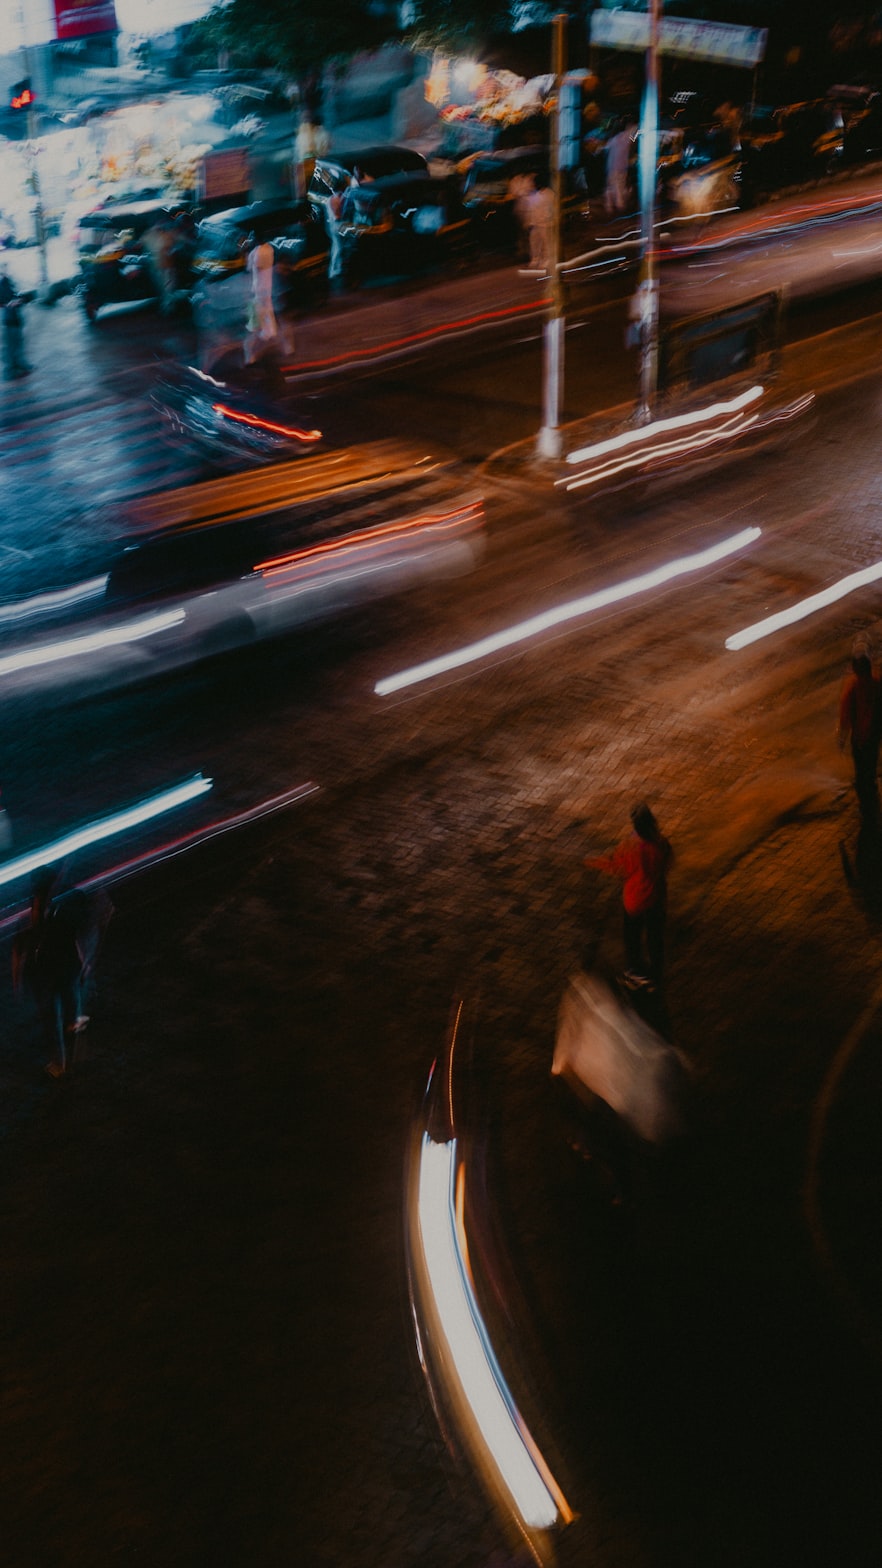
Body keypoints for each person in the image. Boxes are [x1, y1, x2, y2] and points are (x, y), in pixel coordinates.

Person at [586, 802, 673, 989]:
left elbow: (616, 865)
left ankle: (636, 974)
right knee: (654, 938)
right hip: (656, 899)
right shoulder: (662, 844)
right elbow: (667, 864)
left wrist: (593, 861)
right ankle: (656, 974)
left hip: (635, 901)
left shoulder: (630, 847)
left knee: (632, 939)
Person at [12, 869, 86, 1076]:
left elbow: (19, 948)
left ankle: (61, 1061)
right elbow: (73, 937)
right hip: (57, 970)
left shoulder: (31, 916)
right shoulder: (58, 909)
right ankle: (69, 1047)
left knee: (52, 1019)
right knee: (61, 1011)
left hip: (46, 973)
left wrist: (17, 977)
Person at [838, 647, 881, 827]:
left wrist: (842, 738)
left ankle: (868, 811)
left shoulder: (853, 689)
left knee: (862, 775)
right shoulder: (878, 684)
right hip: (873, 738)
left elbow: (846, 716)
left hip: (860, 740)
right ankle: (872, 807)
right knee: (869, 773)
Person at [244, 236, 278, 363]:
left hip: (257, 291)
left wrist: (247, 254)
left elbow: (252, 269)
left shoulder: (257, 252)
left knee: (254, 325)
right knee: (266, 321)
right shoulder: (269, 249)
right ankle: (259, 349)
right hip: (266, 290)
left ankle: (250, 357)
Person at [0, 265, 31, 379]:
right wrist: (9, 304)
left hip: (16, 318)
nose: (8, 271)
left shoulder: (11, 283)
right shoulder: (1, 285)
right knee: (10, 345)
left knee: (19, 343)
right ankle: (10, 370)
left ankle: (21, 364)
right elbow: (2, 302)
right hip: (8, 319)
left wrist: (20, 300)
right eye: (5, 269)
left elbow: (18, 296)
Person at [604, 117, 636, 217]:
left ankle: (609, 206)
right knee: (619, 186)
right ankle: (619, 206)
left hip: (611, 167)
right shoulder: (625, 138)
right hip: (621, 167)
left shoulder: (614, 139)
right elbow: (633, 130)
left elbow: (605, 148)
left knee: (612, 186)